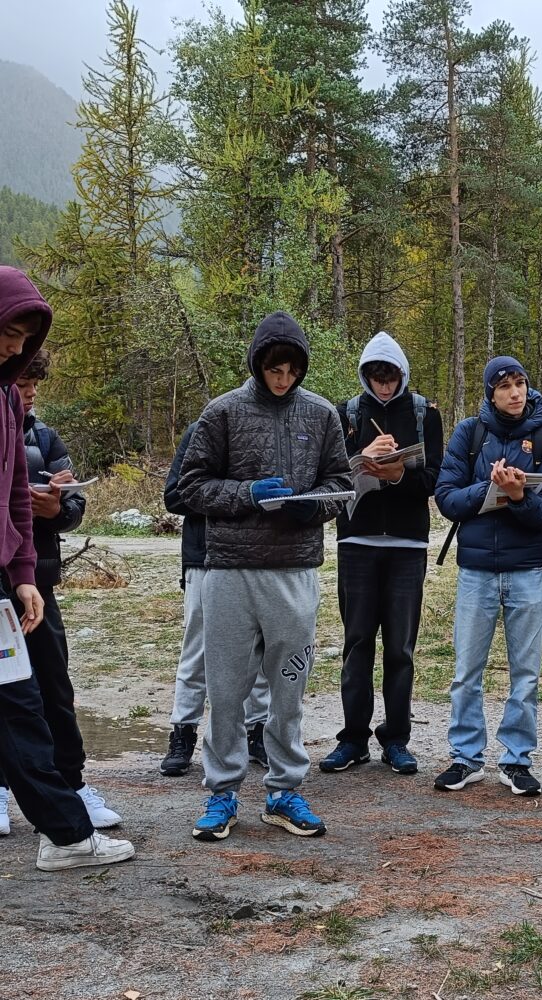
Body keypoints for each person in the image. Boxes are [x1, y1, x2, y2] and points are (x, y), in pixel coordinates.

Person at [179, 310, 351, 840]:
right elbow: (189, 486)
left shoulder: (321, 414)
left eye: (292, 370)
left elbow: (340, 481)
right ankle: (222, 793)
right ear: (257, 364)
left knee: (288, 688)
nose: (283, 379)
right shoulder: (222, 412)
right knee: (226, 688)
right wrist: (246, 494)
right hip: (229, 571)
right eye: (275, 369)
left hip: (294, 570)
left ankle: (284, 791)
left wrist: (314, 505)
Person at [0, 265, 133, 869]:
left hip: (8, 583)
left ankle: (67, 834)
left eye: (25, 339)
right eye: (9, 333)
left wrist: (24, 574)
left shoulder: (9, 402)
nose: (14, 348)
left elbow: (15, 496)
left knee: (23, 700)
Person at [433, 356, 542, 796]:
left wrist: (518, 496)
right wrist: (488, 488)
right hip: (476, 571)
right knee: (466, 671)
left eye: (520, 383)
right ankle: (465, 757)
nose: (515, 392)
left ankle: (516, 760)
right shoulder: (469, 433)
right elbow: (446, 498)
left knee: (525, 673)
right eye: (505, 385)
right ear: (490, 393)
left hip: (527, 570)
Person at [319, 332, 443, 777]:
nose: (384, 386)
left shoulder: (425, 413)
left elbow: (435, 478)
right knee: (356, 643)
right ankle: (352, 739)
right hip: (357, 542)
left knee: (400, 648)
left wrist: (396, 475)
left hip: (408, 544)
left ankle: (396, 739)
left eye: (391, 377)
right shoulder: (345, 413)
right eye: (376, 377)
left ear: (402, 374)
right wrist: (362, 456)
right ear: (365, 375)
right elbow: (332, 476)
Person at [159, 420, 271, 777]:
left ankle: (258, 731)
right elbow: (175, 495)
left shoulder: (269, 429)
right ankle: (183, 732)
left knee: (259, 649)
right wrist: (238, 494)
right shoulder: (201, 430)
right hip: (204, 557)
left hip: (258, 557)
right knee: (198, 649)